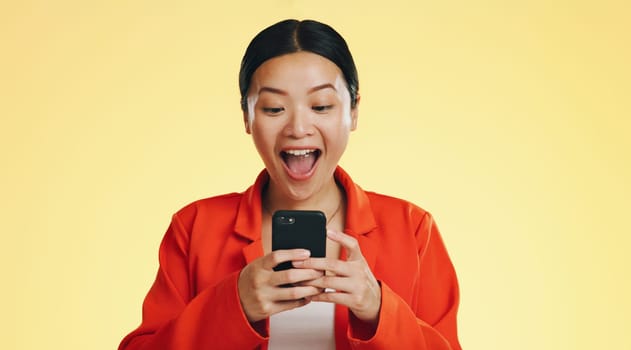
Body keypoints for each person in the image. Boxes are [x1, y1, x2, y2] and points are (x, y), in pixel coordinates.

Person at [119, 19, 461, 350]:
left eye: (321, 105)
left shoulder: (413, 229)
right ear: (246, 117)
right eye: (274, 108)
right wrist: (233, 305)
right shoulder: (194, 227)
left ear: (354, 111)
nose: (298, 128)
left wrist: (378, 311)